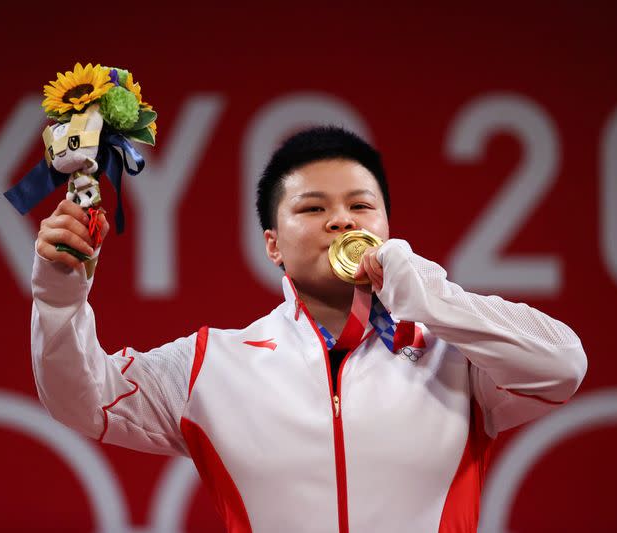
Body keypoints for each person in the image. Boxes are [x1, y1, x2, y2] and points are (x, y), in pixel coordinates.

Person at [31, 126, 587, 532]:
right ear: (272, 243)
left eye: (360, 205)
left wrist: (433, 299)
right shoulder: (212, 365)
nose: (340, 220)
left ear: (387, 228)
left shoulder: (458, 356)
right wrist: (59, 294)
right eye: (313, 208)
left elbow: (562, 366)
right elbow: (82, 398)